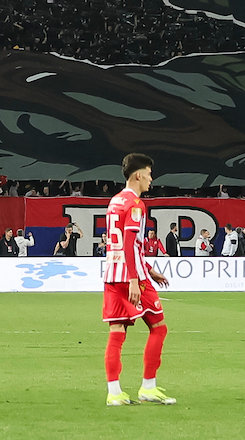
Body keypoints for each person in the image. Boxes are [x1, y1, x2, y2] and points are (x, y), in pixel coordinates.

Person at [102, 152, 175, 406]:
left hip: (112, 274)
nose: (151, 179)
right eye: (149, 174)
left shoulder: (115, 201)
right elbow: (130, 242)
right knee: (159, 327)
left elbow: (125, 245)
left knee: (117, 332)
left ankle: (114, 393)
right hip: (132, 277)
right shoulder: (135, 204)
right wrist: (135, 278)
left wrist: (149, 268)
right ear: (138, 175)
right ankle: (148, 387)